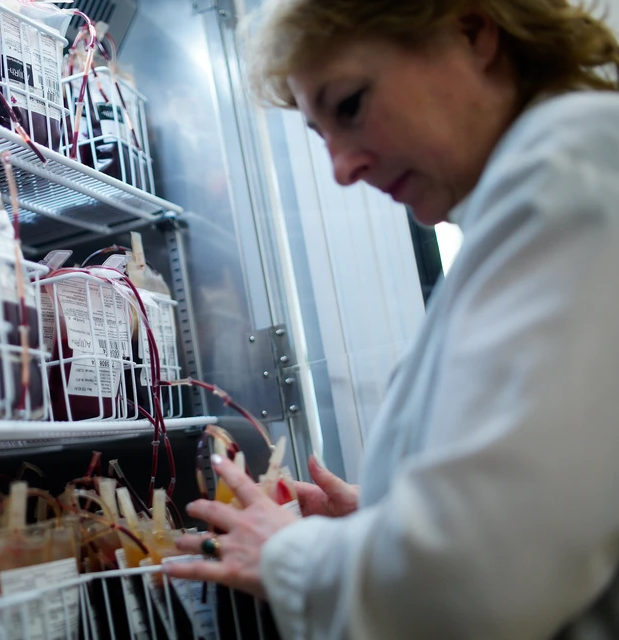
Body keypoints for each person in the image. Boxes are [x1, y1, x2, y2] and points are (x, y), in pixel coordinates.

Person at [163, 0, 619, 637]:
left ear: (471, 31)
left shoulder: (571, 177)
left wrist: (289, 558)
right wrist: (380, 528)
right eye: (322, 135)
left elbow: (481, 579)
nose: (343, 169)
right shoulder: (536, 195)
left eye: (350, 105)